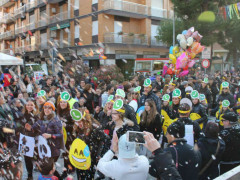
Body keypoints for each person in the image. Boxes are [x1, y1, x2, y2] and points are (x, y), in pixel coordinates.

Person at [26, 101, 63, 179]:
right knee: (47, 167)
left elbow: (60, 135)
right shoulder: (41, 119)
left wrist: (50, 135)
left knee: (49, 167)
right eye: (45, 107)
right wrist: (30, 128)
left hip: (53, 148)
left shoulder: (56, 120)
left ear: (52, 110)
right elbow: (34, 127)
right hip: (44, 148)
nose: (47, 109)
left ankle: (58, 178)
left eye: (49, 108)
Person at [74, 109, 110, 179]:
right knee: (80, 176)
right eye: (77, 121)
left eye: (81, 121)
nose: (79, 123)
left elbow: (106, 139)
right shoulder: (77, 127)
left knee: (89, 177)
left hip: (91, 158)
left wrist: (98, 154)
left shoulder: (94, 128)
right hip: (80, 156)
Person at [18, 98, 39, 180]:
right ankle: (30, 175)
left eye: (31, 105)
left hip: (34, 138)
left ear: (34, 106)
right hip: (24, 138)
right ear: (25, 106)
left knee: (36, 157)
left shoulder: (37, 115)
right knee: (27, 158)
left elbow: (39, 127)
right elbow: (19, 126)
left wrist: (32, 129)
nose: (29, 106)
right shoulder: (22, 115)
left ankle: (43, 173)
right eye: (28, 105)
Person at [56, 98, 75, 178]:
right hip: (62, 136)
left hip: (70, 137)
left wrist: (66, 126)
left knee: (69, 153)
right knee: (65, 154)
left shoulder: (70, 112)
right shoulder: (58, 112)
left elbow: (75, 126)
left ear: (67, 103)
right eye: (61, 102)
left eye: (64, 102)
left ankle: (69, 169)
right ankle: (66, 169)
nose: (63, 104)